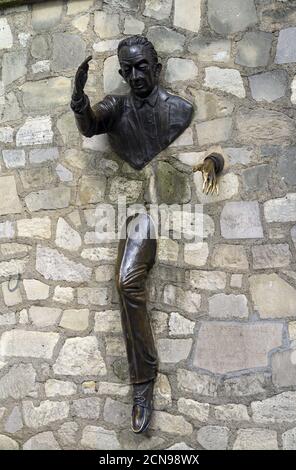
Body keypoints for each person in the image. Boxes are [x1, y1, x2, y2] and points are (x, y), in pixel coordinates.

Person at [71, 35, 222, 433]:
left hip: (165, 207)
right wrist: (77, 98)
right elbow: (90, 125)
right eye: (128, 69)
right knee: (125, 283)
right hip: (132, 209)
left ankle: (142, 381)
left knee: (126, 282)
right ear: (122, 72)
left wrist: (210, 163)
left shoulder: (180, 109)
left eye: (142, 67)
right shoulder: (117, 105)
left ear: (157, 67)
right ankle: (143, 382)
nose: (135, 75)